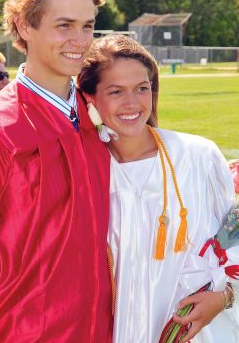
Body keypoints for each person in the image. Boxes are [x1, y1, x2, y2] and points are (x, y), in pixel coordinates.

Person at [0, 0, 113, 342]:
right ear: (24, 26)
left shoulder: (98, 116)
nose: (79, 41)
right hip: (20, 332)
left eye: (87, 26)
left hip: (100, 329)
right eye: (64, 25)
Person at [78, 34, 239, 343]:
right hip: (114, 332)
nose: (132, 103)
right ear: (90, 99)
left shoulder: (197, 157)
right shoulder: (82, 172)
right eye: (115, 91)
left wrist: (224, 297)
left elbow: (232, 245)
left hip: (196, 332)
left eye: (142, 88)